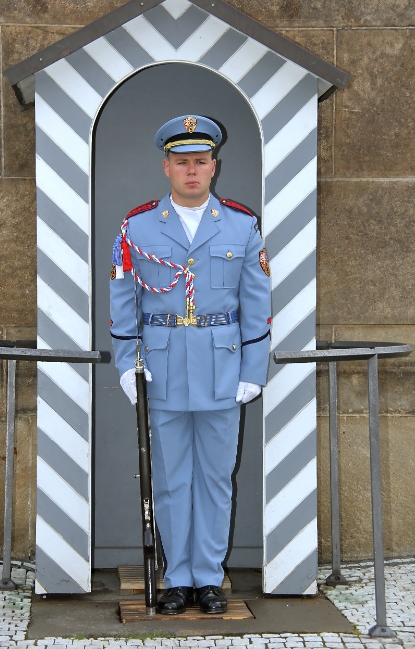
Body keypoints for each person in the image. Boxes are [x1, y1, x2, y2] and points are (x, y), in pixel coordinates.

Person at [110, 115, 271, 615]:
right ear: (167, 168)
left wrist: (253, 369)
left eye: (201, 161)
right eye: (183, 163)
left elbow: (256, 300)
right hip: (162, 369)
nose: (193, 170)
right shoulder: (136, 227)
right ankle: (176, 576)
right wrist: (125, 365)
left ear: (214, 166)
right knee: (172, 477)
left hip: (224, 368)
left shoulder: (242, 225)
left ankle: (209, 577)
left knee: (218, 477)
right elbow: (123, 301)